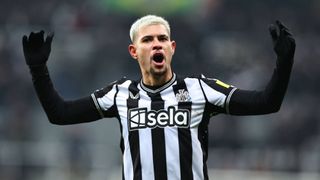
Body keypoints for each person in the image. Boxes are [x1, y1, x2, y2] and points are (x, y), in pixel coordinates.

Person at [22, 15, 295, 180]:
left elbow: (267, 103)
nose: (156, 44)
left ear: (172, 48)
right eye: (148, 39)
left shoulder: (201, 89)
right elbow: (60, 114)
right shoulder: (120, 94)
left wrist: (284, 61)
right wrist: (38, 69)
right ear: (133, 51)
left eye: (162, 39)